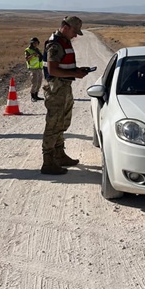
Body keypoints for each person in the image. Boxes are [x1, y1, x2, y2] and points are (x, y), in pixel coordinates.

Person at [40, 16, 92, 175]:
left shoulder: (64, 41)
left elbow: (64, 65)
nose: (75, 35)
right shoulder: (55, 44)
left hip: (63, 86)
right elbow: (53, 70)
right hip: (56, 88)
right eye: (74, 31)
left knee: (62, 122)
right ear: (66, 27)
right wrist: (75, 73)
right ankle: (48, 162)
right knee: (53, 123)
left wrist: (76, 71)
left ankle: (59, 154)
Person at [25, 37, 45, 102]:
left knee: (39, 82)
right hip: (33, 68)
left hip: (39, 68)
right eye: (34, 43)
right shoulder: (28, 50)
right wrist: (33, 55)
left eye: (36, 43)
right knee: (34, 82)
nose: (36, 44)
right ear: (31, 43)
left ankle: (36, 95)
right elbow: (27, 59)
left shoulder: (37, 49)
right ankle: (32, 96)